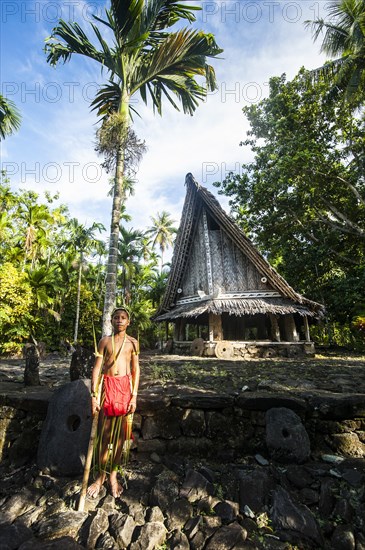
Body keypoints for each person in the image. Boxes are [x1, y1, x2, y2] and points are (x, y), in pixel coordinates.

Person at [87, 307, 140, 499]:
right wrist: (94, 395)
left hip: (124, 389)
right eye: (116, 317)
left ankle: (113, 477)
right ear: (111, 320)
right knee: (104, 435)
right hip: (107, 388)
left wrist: (134, 396)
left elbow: (136, 370)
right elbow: (97, 369)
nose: (120, 320)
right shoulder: (104, 342)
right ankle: (100, 476)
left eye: (123, 317)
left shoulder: (133, 343)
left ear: (128, 322)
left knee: (119, 438)